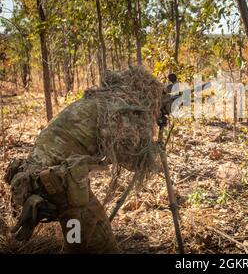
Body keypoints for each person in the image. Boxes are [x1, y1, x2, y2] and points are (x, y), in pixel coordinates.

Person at [4, 66, 165, 253]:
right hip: (58, 184)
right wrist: (154, 147)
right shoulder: (116, 109)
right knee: (99, 245)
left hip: (38, 179)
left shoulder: (95, 102)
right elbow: (132, 159)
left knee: (83, 237)